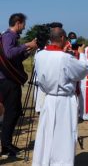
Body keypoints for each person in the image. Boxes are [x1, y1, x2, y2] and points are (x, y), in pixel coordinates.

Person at [32, 28, 88, 166]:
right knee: (64, 134)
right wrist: (81, 54)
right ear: (63, 38)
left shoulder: (40, 55)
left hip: (49, 99)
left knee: (47, 133)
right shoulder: (65, 58)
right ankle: (62, 162)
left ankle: (44, 160)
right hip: (64, 100)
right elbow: (83, 70)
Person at [0, 13, 37, 157]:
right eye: (23, 24)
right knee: (11, 113)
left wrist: (29, 50)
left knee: (14, 112)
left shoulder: (10, 37)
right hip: (7, 81)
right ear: (18, 23)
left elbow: (15, 58)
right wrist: (27, 44)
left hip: (8, 80)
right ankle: (6, 146)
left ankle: (7, 144)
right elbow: (9, 54)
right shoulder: (9, 36)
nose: (25, 27)